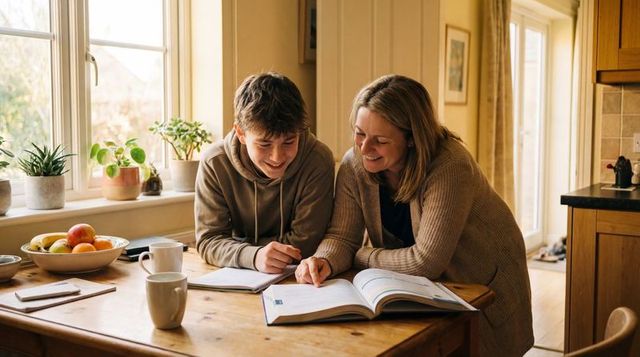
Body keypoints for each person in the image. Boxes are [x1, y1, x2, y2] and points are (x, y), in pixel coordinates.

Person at [295, 74, 534, 356]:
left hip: (482, 280)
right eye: (359, 133)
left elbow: (425, 262)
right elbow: (341, 236)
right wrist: (323, 260)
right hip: (428, 289)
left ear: (411, 138)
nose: (364, 148)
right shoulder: (354, 164)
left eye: (380, 140)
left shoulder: (449, 166)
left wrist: (362, 256)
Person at [195, 72, 334, 273]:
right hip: (238, 278)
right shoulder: (214, 163)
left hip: (300, 280)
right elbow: (208, 240)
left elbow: (307, 242)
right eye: (264, 144)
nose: (277, 157)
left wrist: (236, 246)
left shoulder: (317, 159)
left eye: (288, 142)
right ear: (241, 133)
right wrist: (255, 256)